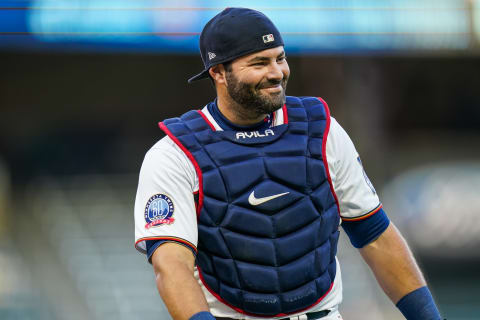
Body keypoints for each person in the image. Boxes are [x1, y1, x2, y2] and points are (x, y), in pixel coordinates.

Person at [134, 7, 442, 320]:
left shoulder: (322, 131)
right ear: (218, 72)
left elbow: (375, 235)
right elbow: (171, 267)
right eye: (259, 63)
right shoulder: (174, 154)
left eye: (279, 58)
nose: (276, 72)